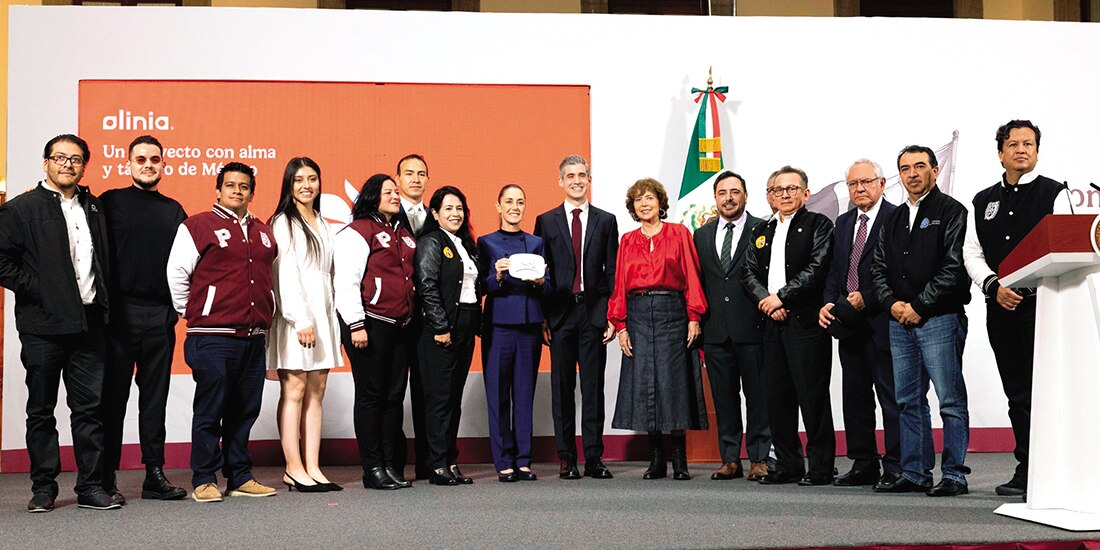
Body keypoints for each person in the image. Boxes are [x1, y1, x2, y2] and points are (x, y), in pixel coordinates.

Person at [0, 134, 118, 512]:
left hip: (89, 324)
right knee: (41, 411)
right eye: (60, 157)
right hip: (43, 326)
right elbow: (2, 261)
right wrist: (40, 290)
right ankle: (43, 488)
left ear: (84, 166)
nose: (68, 164)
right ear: (46, 163)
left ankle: (91, 487)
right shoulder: (20, 209)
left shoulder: (95, 207)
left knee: (90, 411)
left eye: (76, 159)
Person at [962, 120, 1071, 497]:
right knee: (1018, 394)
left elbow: (1065, 248)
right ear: (1000, 153)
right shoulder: (983, 200)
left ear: (1037, 151)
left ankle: (1059, 470)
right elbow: (972, 253)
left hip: (1045, 305)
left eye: (1028, 144)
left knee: (1049, 390)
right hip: (1001, 308)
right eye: (1013, 144)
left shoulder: (1056, 194)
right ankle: (1028, 469)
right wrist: (994, 286)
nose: (1021, 149)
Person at [166, 162, 278, 503]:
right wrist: (196, 312)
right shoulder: (197, 226)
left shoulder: (263, 232)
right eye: (230, 185)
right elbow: (177, 273)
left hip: (253, 337)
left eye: (244, 186)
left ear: (251, 193)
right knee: (210, 409)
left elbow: (268, 279)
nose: (237, 191)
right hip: (212, 336)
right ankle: (203, 478)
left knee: (244, 410)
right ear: (218, 190)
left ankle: (239, 475)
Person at [871, 145, 971, 497]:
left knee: (950, 401)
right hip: (899, 321)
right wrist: (893, 305)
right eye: (905, 168)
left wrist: (919, 306)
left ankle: (955, 475)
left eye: (919, 166)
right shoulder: (893, 218)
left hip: (939, 318)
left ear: (934, 170)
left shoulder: (952, 211)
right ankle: (915, 472)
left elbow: (953, 268)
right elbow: (878, 269)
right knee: (908, 401)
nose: (912, 174)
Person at [100, 135, 188, 504]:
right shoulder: (108, 203)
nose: (148, 165)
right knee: (112, 400)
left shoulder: (174, 210)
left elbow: (186, 264)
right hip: (118, 317)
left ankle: (154, 474)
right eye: (141, 159)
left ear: (163, 164)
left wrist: (174, 310)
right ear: (128, 164)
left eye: (154, 159)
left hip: (159, 317)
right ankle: (104, 476)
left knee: (155, 400)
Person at [608, 178, 708, 481]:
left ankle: (679, 458)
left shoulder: (679, 233)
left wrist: (694, 316)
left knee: (673, 384)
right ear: (632, 207)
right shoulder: (627, 240)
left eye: (649, 197)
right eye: (638, 199)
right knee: (645, 384)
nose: (644, 203)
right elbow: (620, 283)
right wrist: (620, 325)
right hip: (638, 314)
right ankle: (656, 459)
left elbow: (692, 274)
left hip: (673, 312)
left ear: (660, 202)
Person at [742, 165, 836, 486]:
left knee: (813, 397)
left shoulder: (819, 224)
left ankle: (821, 467)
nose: (784, 194)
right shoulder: (761, 230)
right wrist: (767, 301)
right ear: (770, 195)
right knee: (777, 399)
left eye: (791, 188)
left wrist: (781, 297)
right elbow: (748, 273)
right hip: (770, 323)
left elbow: (817, 268)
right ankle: (788, 464)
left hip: (806, 323)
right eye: (777, 190)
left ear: (805, 193)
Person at [533, 155, 618, 480]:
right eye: (570, 176)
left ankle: (594, 457)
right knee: (562, 387)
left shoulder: (606, 220)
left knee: (593, 388)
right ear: (561, 181)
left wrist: (611, 314)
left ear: (589, 179)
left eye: (582, 175)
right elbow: (541, 271)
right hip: (559, 314)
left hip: (593, 314)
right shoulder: (546, 221)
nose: (577, 181)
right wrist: (543, 317)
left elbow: (611, 271)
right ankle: (567, 458)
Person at [818, 159, 901, 488]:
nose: (860, 188)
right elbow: (835, 270)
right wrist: (828, 302)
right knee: (855, 398)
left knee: (891, 398)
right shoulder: (843, 222)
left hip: (883, 321)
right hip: (849, 324)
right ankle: (863, 462)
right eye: (853, 184)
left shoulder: (896, 218)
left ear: (882, 183)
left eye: (866, 182)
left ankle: (896, 466)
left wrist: (868, 296)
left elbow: (900, 272)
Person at [335, 173, 417, 491]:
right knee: (371, 397)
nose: (395, 196)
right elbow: (346, 281)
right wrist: (356, 324)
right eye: (388, 192)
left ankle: (390, 465)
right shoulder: (357, 231)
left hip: (400, 326)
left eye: (396, 191)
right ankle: (372, 469)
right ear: (372, 196)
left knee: (393, 398)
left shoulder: (403, 234)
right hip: (370, 324)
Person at [267, 157, 343, 493]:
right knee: (294, 389)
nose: (306, 185)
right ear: (289, 184)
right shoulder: (283, 222)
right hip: (297, 318)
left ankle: (313, 465)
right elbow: (284, 274)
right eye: (299, 179)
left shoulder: (323, 222)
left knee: (317, 390)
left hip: (323, 315)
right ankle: (292, 466)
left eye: (312, 178)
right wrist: (300, 319)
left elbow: (330, 273)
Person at [692, 171, 771, 482]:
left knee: (758, 398)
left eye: (735, 192)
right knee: (724, 399)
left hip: (753, 328)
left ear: (746, 196)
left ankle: (759, 458)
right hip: (715, 332)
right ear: (715, 198)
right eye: (722, 193)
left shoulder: (763, 229)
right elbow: (699, 282)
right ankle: (729, 459)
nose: (729, 198)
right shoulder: (701, 235)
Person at [478, 184, 549, 482]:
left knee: (524, 394)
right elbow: (479, 286)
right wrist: (496, 275)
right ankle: (503, 460)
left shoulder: (536, 242)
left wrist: (540, 282)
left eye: (520, 202)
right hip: (498, 325)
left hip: (529, 325)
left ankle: (523, 459)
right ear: (498, 206)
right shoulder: (485, 242)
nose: (514, 207)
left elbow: (548, 283)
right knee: (497, 395)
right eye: (508, 202)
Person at [414, 185, 483, 486]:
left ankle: (450, 461)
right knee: (439, 399)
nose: (456, 214)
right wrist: (440, 327)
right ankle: (436, 463)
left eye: (460, 209)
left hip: (465, 324)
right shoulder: (431, 241)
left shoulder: (465, 244)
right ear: (435, 213)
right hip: (440, 329)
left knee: (454, 398)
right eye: (449, 209)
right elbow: (427, 285)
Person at [394, 153, 432, 480]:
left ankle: (428, 462)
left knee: (427, 392)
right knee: (393, 392)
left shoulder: (438, 216)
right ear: (398, 180)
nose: (415, 179)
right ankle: (393, 464)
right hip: (395, 316)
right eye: (409, 173)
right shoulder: (387, 215)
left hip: (429, 319)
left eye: (421, 173)